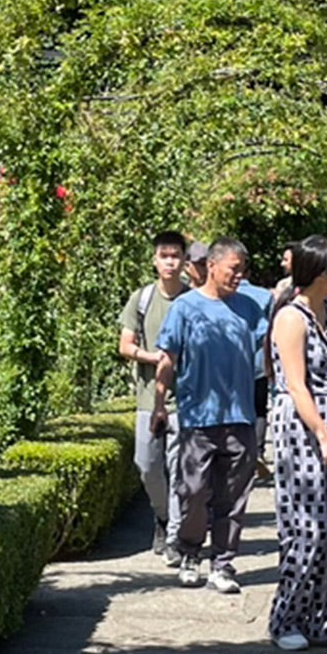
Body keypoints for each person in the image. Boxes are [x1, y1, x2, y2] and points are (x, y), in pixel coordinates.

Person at [154, 238, 270, 592]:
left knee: (233, 497)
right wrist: (160, 404)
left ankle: (223, 562)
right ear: (213, 266)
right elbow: (167, 359)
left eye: (242, 270)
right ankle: (190, 554)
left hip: (239, 418)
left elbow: (267, 356)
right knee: (192, 492)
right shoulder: (185, 308)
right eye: (233, 269)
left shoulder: (250, 308)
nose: (238, 276)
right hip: (197, 418)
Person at [267, 236, 327, 652]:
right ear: (321, 273)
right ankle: (286, 618)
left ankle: (323, 620)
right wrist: (322, 433)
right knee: (306, 528)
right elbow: (296, 384)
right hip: (301, 429)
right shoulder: (291, 318)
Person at [118, 231, 193, 564]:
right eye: (164, 255)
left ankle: (174, 536)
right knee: (147, 466)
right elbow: (125, 346)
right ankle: (162, 516)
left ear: (184, 260)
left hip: (187, 402)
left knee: (179, 470)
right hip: (149, 399)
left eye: (176, 255)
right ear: (155, 259)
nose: (170, 262)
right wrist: (155, 358)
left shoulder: (194, 300)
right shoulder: (142, 299)